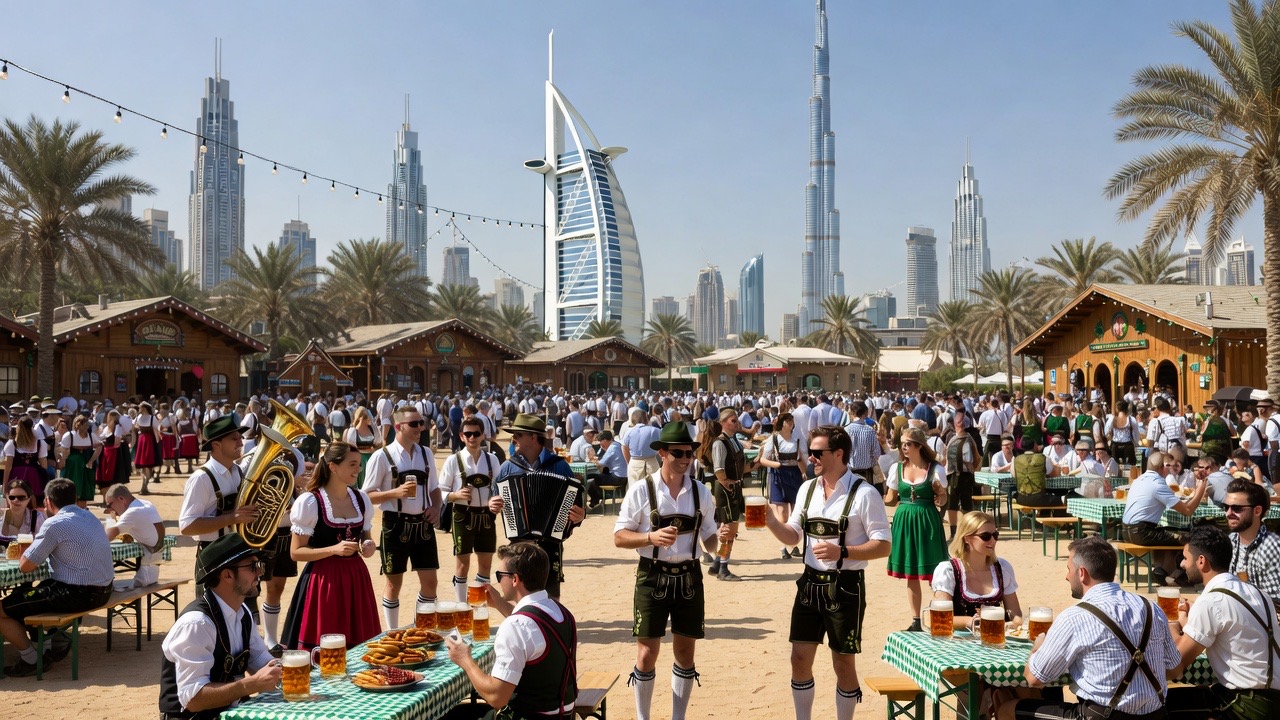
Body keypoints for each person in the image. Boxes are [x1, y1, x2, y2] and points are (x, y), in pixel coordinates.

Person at [763, 425, 891, 720]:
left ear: (838, 454)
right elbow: (793, 536)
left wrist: (843, 552)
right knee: (798, 659)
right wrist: (771, 521)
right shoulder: (807, 489)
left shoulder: (865, 493)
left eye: (817, 453)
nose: (811, 459)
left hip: (845, 586)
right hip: (809, 583)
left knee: (843, 663)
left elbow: (883, 546)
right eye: (811, 453)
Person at [997, 535, 1179, 720]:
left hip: (1100, 716)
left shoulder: (1075, 617)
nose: (1066, 576)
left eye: (1069, 569)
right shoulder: (1151, 607)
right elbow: (1173, 667)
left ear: (1082, 573)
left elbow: (1034, 678)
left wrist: (1038, 647)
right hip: (1156, 715)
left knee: (1007, 710)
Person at [614, 421, 726, 720]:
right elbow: (619, 537)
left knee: (686, 653)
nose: (686, 458)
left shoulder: (701, 492)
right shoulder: (642, 490)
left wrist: (722, 539)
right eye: (678, 452)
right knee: (647, 653)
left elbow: (710, 543)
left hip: (689, 576)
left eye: (689, 452)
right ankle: (642, 716)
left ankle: (678, 717)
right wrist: (649, 537)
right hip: (651, 575)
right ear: (662, 453)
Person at [445, 542, 578, 719]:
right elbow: (531, 629)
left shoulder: (515, 627)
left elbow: (497, 698)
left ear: (515, 579)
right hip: (562, 713)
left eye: (500, 575)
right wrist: (499, 602)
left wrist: (464, 659)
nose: (498, 580)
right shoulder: (560, 612)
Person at [159, 533, 282, 719]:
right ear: (227, 574)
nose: (259, 573)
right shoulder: (197, 624)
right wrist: (252, 684)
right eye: (252, 567)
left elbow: (261, 661)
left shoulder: (243, 613)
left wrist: (292, 665)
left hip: (231, 714)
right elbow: (193, 699)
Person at [0, 478, 113, 676]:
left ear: (48, 502)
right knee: (29, 593)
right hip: (104, 590)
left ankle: (32, 659)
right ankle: (49, 646)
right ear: (75, 498)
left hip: (78, 594)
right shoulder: (89, 517)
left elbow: (26, 566)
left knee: (3, 609)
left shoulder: (54, 524)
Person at [1166, 525, 1280, 718]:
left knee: (1159, 703)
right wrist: (1188, 621)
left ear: (1201, 561)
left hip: (1249, 705)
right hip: (1272, 698)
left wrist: (1172, 622)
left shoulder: (1211, 601)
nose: (1183, 565)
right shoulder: (1258, 594)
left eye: (1186, 558)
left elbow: (1174, 669)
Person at [280, 441, 380, 650]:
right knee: (325, 648)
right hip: (324, 582)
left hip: (356, 578)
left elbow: (365, 540)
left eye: (359, 464)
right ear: (333, 466)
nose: (358, 469)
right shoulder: (310, 502)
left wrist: (368, 546)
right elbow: (296, 552)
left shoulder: (361, 499)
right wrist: (333, 550)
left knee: (359, 648)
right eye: (352, 464)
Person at [363, 405, 442, 629]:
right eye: (414, 424)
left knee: (430, 583)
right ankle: (392, 632)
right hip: (395, 524)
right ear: (398, 426)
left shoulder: (426, 453)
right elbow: (367, 495)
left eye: (421, 423)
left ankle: (420, 629)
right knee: (393, 583)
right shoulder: (381, 456)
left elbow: (434, 488)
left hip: (423, 524)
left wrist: (436, 507)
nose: (420, 428)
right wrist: (395, 493)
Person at [493, 414, 586, 599]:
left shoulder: (559, 466)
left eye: (518, 435)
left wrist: (579, 517)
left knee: (551, 598)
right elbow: (495, 496)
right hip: (519, 541)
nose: (514, 439)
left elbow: (577, 505)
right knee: (520, 596)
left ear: (533, 437)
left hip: (550, 543)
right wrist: (493, 503)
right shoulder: (507, 467)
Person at [178, 416, 256, 599]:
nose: (241, 442)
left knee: (243, 616)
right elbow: (187, 526)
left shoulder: (238, 471)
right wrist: (232, 518)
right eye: (234, 438)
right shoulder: (201, 478)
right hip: (213, 555)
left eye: (240, 437)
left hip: (240, 553)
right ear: (216, 445)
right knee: (214, 619)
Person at [885, 427, 949, 631]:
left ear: (919, 446)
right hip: (904, 521)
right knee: (911, 573)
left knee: (936, 572)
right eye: (902, 443)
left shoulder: (935, 469)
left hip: (927, 520)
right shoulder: (896, 469)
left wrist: (942, 496)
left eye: (908, 443)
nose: (904, 447)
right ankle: (916, 621)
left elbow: (944, 498)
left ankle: (941, 617)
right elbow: (889, 499)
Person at [440, 416, 503, 605]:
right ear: (461, 436)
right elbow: (441, 491)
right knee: (462, 564)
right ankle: (462, 608)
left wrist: (495, 500)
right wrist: (455, 495)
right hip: (462, 515)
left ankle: (478, 607)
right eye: (468, 434)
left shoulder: (492, 460)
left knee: (485, 564)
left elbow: (499, 489)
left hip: (486, 516)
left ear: (483, 435)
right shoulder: (454, 460)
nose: (472, 437)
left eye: (476, 433)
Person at [1121, 451, 1208, 586]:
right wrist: (1201, 489)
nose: (1171, 469)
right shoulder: (1158, 484)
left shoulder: (1139, 480)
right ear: (1163, 466)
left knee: (1170, 533)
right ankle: (1183, 573)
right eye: (1169, 466)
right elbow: (1188, 510)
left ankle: (1164, 571)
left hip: (1126, 532)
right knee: (1187, 538)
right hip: (1142, 533)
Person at [932, 511, 1023, 632]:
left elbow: (1016, 614)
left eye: (995, 535)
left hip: (995, 640)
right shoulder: (948, 571)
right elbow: (940, 618)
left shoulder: (1002, 568)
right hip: (957, 643)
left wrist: (1012, 624)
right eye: (985, 536)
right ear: (967, 538)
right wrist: (970, 621)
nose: (993, 540)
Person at [707, 408, 755, 581]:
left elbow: (741, 467)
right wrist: (727, 482)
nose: (737, 424)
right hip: (727, 489)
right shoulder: (720, 442)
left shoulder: (733, 440)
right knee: (730, 530)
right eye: (733, 421)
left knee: (730, 529)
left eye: (737, 420)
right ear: (723, 423)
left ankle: (717, 564)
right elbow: (718, 469)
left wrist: (756, 463)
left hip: (733, 487)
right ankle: (723, 569)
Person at [1224, 479, 1280, 612]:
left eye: (1236, 508)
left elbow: (1276, 604)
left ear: (1257, 511)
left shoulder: (1271, 546)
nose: (1228, 513)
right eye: (1226, 507)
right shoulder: (1231, 541)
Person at [760, 412, 807, 560]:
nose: (791, 423)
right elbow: (763, 460)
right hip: (778, 475)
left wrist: (805, 473)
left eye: (792, 421)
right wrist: (777, 464)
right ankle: (785, 545)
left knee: (796, 512)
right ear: (782, 423)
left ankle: (791, 546)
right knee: (782, 514)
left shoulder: (797, 439)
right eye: (788, 421)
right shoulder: (773, 439)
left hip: (794, 475)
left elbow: (800, 458)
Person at [104, 483, 165, 588]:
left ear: (121, 499)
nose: (111, 509)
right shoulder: (145, 503)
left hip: (146, 574)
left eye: (110, 504)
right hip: (154, 563)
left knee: (110, 586)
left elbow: (106, 537)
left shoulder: (132, 512)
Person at [944, 413, 981, 540]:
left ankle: (968, 530)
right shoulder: (953, 438)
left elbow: (973, 458)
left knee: (966, 504)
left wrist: (970, 469)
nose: (958, 424)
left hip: (964, 476)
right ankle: (954, 532)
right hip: (953, 475)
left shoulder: (968, 439)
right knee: (952, 504)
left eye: (959, 422)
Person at [4, 416, 49, 505]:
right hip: (33, 477)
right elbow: (44, 467)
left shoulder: (12, 443)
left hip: (16, 476)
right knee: (33, 503)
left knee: (17, 502)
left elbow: (8, 467)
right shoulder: (40, 443)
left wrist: (5, 486)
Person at [58, 415, 102, 508]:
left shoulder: (91, 436)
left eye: (85, 424)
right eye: (82, 424)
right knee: (71, 488)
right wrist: (63, 462)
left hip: (86, 466)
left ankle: (82, 510)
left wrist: (91, 460)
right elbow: (64, 451)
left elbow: (99, 446)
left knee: (84, 491)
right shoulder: (69, 435)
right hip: (72, 467)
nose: (84, 426)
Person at [343, 406, 380, 489]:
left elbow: (378, 444)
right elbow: (349, 448)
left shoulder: (373, 430)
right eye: (366, 417)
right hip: (359, 459)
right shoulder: (352, 431)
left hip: (371, 458)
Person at [133, 401, 162, 494]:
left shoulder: (152, 418)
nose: (139, 409)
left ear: (145, 408)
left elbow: (156, 430)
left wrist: (158, 444)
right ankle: (144, 485)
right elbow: (134, 427)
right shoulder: (138, 417)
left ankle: (145, 485)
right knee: (143, 465)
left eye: (140, 407)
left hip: (149, 442)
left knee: (148, 465)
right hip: (142, 441)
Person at [1197, 400, 1234, 464]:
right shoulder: (1226, 421)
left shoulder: (1207, 420)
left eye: (1208, 410)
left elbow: (1201, 435)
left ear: (1215, 410)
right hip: (1223, 453)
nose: (1206, 412)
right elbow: (1234, 434)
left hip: (1208, 452)